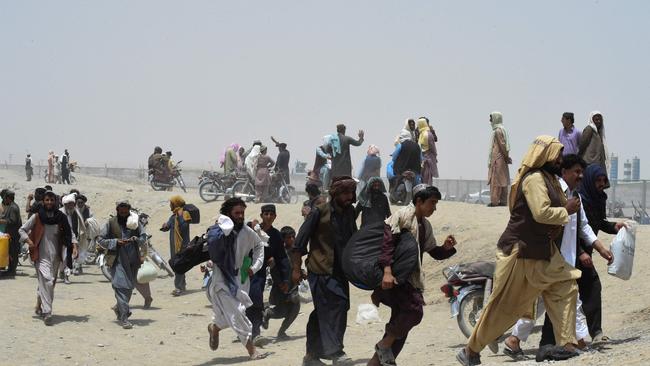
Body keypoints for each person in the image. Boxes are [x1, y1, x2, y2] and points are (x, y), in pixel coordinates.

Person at [456, 136, 582, 366]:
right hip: (520, 251)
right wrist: (566, 210)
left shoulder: (550, 179)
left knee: (566, 286)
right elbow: (541, 212)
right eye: (558, 155)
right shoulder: (534, 179)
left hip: (542, 251)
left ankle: (567, 344)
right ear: (545, 155)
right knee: (505, 306)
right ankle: (471, 350)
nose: (560, 160)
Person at [503, 155, 614, 357]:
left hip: (566, 259)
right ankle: (572, 342)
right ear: (564, 172)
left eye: (582, 172)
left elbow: (583, 227)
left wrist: (600, 248)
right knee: (546, 300)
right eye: (576, 172)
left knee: (560, 298)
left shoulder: (577, 197)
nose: (580, 176)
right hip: (549, 256)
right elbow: (543, 217)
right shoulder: (555, 193)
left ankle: (520, 340)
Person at [368, 185, 457, 366]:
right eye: (432, 202)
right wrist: (387, 272)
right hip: (396, 278)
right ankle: (384, 345)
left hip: (410, 279)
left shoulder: (425, 224)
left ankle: (377, 360)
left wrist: (446, 249)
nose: (434, 207)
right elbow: (387, 244)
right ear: (419, 201)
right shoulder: (402, 215)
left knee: (400, 329)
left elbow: (434, 251)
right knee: (414, 311)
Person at [292, 176, 358, 366]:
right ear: (335, 193)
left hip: (340, 270)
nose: (348, 196)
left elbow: (354, 239)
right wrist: (296, 269)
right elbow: (299, 242)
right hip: (320, 269)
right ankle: (336, 352)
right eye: (345, 193)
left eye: (351, 192)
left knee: (335, 308)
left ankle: (311, 355)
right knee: (332, 307)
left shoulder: (350, 212)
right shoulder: (319, 212)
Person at [205, 197, 267, 360]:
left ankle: (215, 328)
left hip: (241, 280)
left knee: (231, 316)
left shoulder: (247, 232)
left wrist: (255, 266)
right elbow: (210, 251)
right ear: (228, 214)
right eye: (236, 213)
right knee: (238, 314)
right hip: (222, 280)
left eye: (242, 213)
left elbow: (259, 246)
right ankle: (252, 351)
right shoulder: (218, 232)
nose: (240, 216)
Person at [577, 163, 627, 343]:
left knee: (592, 287)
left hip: (585, 256)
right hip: (571, 253)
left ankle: (596, 333)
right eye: (597, 180)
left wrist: (615, 226)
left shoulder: (599, 199)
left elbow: (598, 223)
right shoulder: (579, 200)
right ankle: (513, 336)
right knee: (543, 298)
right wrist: (581, 252)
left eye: (603, 180)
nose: (600, 184)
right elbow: (571, 231)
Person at [19, 190, 76, 325]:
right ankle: (47, 312)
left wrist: (74, 246)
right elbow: (21, 230)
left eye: (51, 200)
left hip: (56, 255)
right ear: (43, 202)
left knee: (49, 283)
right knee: (48, 281)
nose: (49, 202)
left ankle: (40, 301)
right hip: (41, 254)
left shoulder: (60, 217)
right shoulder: (37, 217)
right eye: (47, 200)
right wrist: (29, 241)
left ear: (55, 201)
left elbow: (70, 232)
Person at [96, 200, 147, 329]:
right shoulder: (111, 223)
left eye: (126, 211)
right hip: (117, 259)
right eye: (121, 211)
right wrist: (115, 242)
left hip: (132, 260)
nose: (123, 213)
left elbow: (143, 237)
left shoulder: (135, 222)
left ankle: (119, 308)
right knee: (120, 287)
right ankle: (124, 317)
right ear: (117, 210)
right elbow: (101, 239)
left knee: (129, 287)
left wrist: (137, 240)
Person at [247, 204, 289, 346]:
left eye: (271, 214)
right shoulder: (251, 228)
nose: (269, 217)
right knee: (243, 301)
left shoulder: (276, 236)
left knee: (256, 299)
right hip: (243, 270)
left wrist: (285, 278)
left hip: (259, 273)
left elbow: (281, 257)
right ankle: (247, 330)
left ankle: (255, 332)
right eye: (266, 214)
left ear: (275, 216)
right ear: (261, 215)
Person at [263, 226, 301, 340]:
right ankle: (280, 330)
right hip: (282, 287)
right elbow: (274, 270)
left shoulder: (294, 251)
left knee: (289, 310)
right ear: (283, 239)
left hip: (291, 286)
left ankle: (270, 315)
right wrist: (280, 284)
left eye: (293, 236)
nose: (292, 239)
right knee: (291, 309)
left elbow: (295, 266)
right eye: (289, 237)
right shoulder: (280, 252)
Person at [161, 195, 192, 296]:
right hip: (174, 245)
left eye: (171, 203)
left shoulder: (185, 214)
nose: (170, 205)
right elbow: (168, 227)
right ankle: (182, 284)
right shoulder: (173, 216)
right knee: (178, 265)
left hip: (183, 245)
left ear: (176, 203)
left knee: (179, 264)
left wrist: (179, 216)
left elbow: (184, 226)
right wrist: (165, 226)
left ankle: (178, 288)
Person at [487, 111, 512, 207]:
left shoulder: (498, 131)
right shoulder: (502, 130)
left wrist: (506, 156)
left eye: (491, 118)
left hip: (498, 159)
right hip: (501, 159)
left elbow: (502, 145)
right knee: (503, 180)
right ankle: (503, 201)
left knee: (496, 181)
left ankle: (494, 201)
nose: (490, 121)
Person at [0, 190, 22, 276]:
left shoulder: (13, 207)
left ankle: (12, 270)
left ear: (8, 198)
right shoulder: (12, 206)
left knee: (13, 252)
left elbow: (13, 221)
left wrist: (1, 221)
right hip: (11, 233)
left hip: (13, 233)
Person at [58, 193, 80, 284]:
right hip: (58, 240)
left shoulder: (70, 214)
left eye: (73, 204)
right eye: (71, 204)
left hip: (67, 241)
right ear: (66, 204)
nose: (72, 206)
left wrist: (74, 245)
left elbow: (70, 229)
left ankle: (66, 276)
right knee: (60, 259)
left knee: (68, 258)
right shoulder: (60, 213)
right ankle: (61, 271)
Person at [417, 117, 438, 184]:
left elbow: (432, 147)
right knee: (425, 178)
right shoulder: (423, 133)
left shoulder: (426, 134)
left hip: (427, 159)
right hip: (424, 159)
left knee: (426, 178)